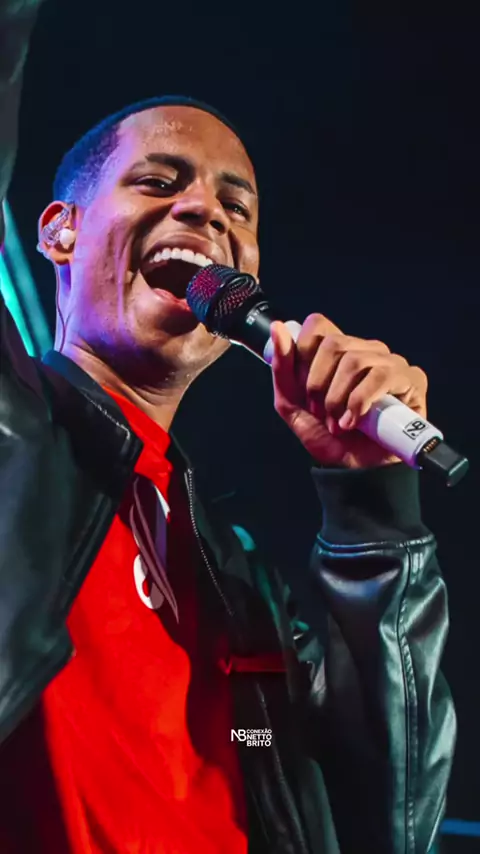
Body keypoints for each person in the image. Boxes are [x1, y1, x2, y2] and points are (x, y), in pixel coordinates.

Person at [0, 2, 456, 853]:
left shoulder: (238, 585)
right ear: (61, 232)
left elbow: (383, 814)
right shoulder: (12, 433)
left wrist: (374, 510)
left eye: (236, 207)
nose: (205, 210)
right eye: (158, 182)